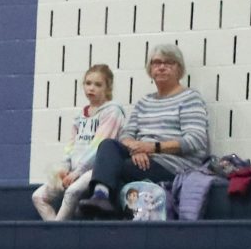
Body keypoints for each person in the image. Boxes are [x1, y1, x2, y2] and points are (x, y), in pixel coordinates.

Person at [83, 43, 211, 215]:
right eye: (156, 62)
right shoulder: (144, 102)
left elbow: (195, 140)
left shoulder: (190, 98)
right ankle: (100, 196)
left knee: (118, 169)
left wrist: (152, 148)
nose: (162, 67)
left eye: (169, 62)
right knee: (108, 145)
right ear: (150, 69)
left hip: (172, 166)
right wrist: (135, 149)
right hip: (142, 157)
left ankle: (104, 208)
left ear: (179, 69)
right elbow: (126, 134)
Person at [33, 65, 124, 220]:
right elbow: (71, 145)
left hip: (95, 171)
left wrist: (78, 172)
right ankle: (57, 227)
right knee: (38, 196)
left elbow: (98, 145)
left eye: (98, 85)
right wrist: (64, 167)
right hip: (73, 171)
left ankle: (56, 230)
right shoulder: (79, 115)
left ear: (108, 87)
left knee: (71, 192)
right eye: (88, 83)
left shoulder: (112, 111)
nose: (91, 88)